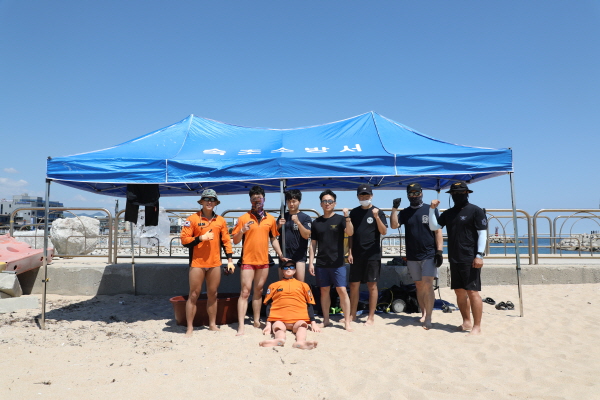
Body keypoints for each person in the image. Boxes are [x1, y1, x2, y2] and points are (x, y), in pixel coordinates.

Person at [428, 181, 487, 335]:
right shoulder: (449, 213)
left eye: (461, 193)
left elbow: (482, 233)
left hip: (471, 257)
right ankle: (466, 322)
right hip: (454, 257)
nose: (457, 195)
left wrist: (479, 255)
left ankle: (477, 326)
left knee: (472, 291)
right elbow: (434, 227)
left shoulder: (476, 211)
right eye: (455, 193)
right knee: (459, 292)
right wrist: (432, 210)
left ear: (467, 193)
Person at [232, 185, 288, 336]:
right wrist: (242, 230)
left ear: (264, 199)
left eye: (259, 198)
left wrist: (280, 254)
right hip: (247, 260)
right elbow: (235, 240)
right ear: (250, 200)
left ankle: (256, 320)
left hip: (263, 261)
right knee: (245, 292)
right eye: (254, 199)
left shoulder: (270, 219)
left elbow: (273, 239)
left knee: (259, 291)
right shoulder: (243, 218)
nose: (257, 201)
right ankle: (241, 325)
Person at [180, 189, 234, 335]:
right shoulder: (192, 219)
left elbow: (226, 241)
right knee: (193, 294)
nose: (209, 202)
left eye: (212, 200)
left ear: (216, 203)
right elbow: (184, 240)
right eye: (207, 199)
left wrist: (230, 260)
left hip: (215, 263)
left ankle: (212, 324)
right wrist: (200, 238)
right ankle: (190, 327)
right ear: (202, 202)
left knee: (213, 294)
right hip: (197, 263)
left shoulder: (220, 220)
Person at [390, 183, 443, 330]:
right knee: (419, 285)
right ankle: (423, 313)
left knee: (428, 284)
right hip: (412, 255)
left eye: (417, 193)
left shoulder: (430, 209)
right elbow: (394, 225)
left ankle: (429, 317)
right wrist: (394, 209)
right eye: (411, 193)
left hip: (429, 254)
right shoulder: (405, 212)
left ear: (422, 193)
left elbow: (438, 231)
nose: (414, 196)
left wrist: (439, 251)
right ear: (408, 195)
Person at [308, 189, 354, 331]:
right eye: (324, 201)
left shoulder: (340, 219)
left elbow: (350, 232)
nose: (327, 203)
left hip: (338, 262)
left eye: (330, 201)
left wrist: (347, 217)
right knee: (324, 291)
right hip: (321, 263)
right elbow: (313, 244)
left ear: (335, 203)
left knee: (342, 290)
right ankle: (326, 320)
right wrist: (311, 262)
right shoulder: (316, 222)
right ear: (321, 204)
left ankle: (347, 322)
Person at [348, 183, 388, 326]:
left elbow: (384, 231)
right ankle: (352, 315)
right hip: (357, 254)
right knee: (354, 285)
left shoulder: (378, 212)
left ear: (372, 195)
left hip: (372, 255)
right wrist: (350, 252)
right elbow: (350, 234)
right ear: (358, 196)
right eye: (362, 195)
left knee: (372, 285)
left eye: (367, 195)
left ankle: (371, 317)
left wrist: (376, 217)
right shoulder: (354, 212)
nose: (364, 197)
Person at [259, 260, 320, 349]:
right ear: (282, 270)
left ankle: (300, 342)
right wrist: (268, 324)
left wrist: (313, 323)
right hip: (279, 318)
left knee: (302, 327)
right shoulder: (273, 285)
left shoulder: (304, 285)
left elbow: (309, 304)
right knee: (278, 328)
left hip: (299, 319)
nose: (288, 269)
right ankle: (279, 340)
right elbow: (269, 305)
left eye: (291, 267)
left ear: (295, 270)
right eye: (286, 267)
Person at [277, 189, 312, 281]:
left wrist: (298, 222)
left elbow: (306, 235)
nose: (291, 204)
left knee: (299, 284)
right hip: (284, 256)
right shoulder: (282, 216)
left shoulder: (305, 217)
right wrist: (278, 225)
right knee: (283, 283)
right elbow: (273, 234)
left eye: (294, 201)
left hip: (299, 256)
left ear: (299, 202)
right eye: (289, 201)